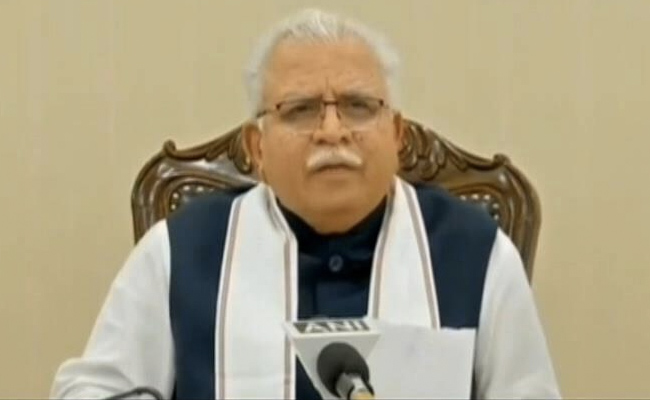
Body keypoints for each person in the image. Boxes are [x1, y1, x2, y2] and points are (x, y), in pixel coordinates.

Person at [51, 8, 561, 399]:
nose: (332, 131)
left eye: (358, 106)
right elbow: (89, 390)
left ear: (397, 134)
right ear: (256, 148)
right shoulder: (180, 251)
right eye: (300, 110)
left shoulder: (476, 252)